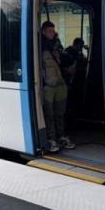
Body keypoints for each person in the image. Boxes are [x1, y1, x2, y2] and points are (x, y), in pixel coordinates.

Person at [40, 21, 75, 153]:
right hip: (49, 86)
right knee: (50, 115)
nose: (52, 33)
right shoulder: (39, 46)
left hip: (60, 84)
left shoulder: (56, 45)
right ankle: (51, 139)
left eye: (53, 31)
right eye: (49, 31)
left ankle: (61, 137)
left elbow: (64, 60)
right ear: (43, 32)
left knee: (60, 114)